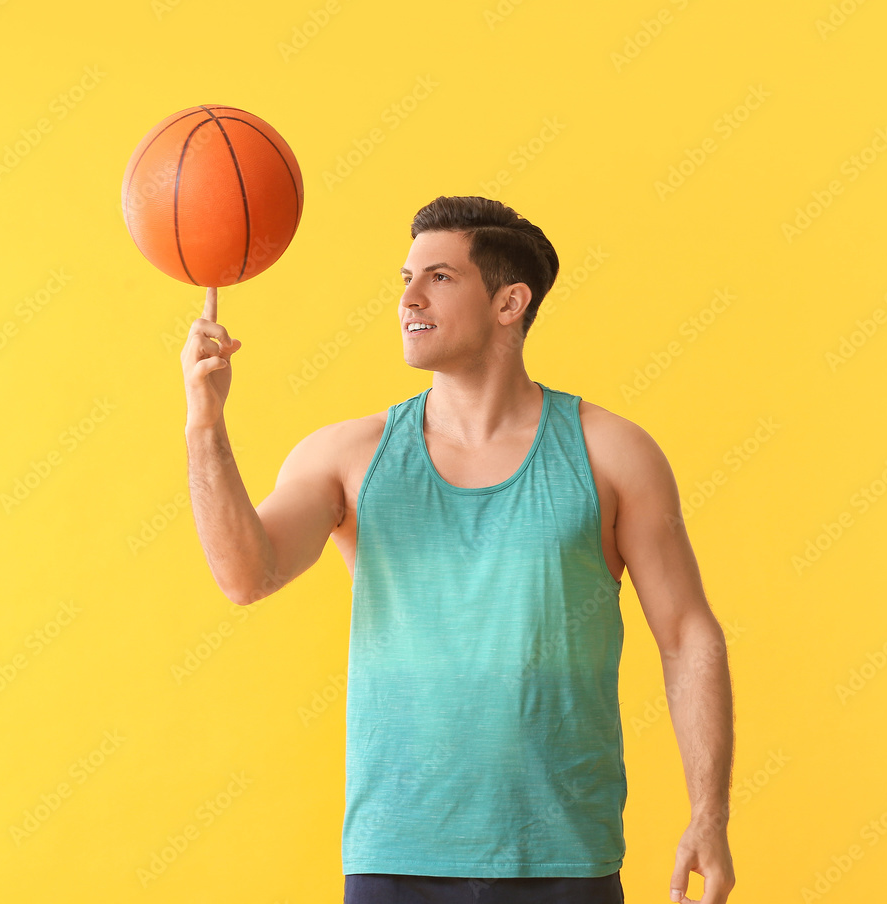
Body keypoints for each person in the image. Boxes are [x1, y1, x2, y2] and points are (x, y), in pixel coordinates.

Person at [181, 196, 736, 904]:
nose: (408, 297)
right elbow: (245, 574)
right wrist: (205, 421)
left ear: (510, 303)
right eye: (405, 278)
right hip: (396, 857)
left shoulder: (611, 452)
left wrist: (709, 816)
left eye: (438, 278)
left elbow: (689, 635)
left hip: (564, 857)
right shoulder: (351, 455)